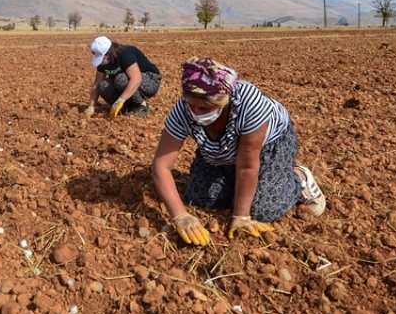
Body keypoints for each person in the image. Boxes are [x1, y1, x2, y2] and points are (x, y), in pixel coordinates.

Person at [150, 57, 326, 246]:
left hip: (266, 147)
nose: (196, 113)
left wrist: (241, 216)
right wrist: (180, 215)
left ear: (224, 101)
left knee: (262, 209)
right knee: (198, 196)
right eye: (191, 105)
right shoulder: (183, 109)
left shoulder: (249, 103)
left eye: (204, 108)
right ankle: (238, 182)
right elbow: (161, 166)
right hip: (221, 152)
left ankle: (298, 178)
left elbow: (247, 166)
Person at [84, 36, 161, 118]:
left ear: (109, 52)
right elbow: (97, 84)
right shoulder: (104, 62)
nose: (101, 60)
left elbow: (136, 79)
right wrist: (91, 106)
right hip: (127, 82)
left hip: (150, 80)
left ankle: (142, 106)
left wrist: (120, 100)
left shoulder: (125, 53)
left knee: (121, 79)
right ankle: (126, 108)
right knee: (103, 85)